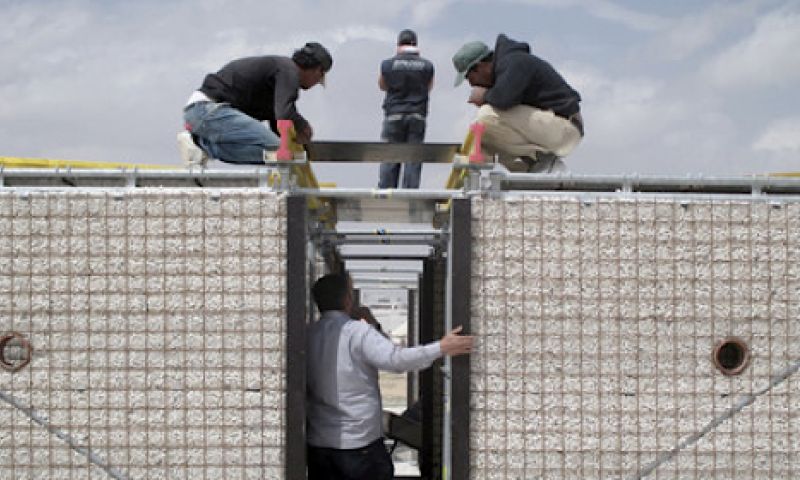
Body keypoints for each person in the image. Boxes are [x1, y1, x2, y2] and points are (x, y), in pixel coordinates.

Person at [306, 273, 474, 480]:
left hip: (319, 445)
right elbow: (395, 360)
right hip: (360, 446)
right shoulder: (358, 332)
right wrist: (441, 347)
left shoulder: (307, 334)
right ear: (348, 299)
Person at [177, 42, 333, 166]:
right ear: (318, 70)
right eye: (319, 78)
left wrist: (295, 142)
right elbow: (284, 114)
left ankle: (203, 148)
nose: (315, 84)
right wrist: (301, 125)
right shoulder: (289, 70)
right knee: (277, 150)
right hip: (208, 110)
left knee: (278, 154)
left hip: (203, 113)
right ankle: (201, 146)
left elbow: (278, 122)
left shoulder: (278, 78)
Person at [452, 34, 584, 173]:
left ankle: (545, 164)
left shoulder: (514, 62)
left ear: (479, 67)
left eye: (469, 77)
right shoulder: (505, 68)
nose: (472, 84)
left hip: (565, 128)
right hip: (553, 127)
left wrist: (484, 95)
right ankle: (534, 168)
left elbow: (503, 99)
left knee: (486, 116)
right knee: (484, 138)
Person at [377, 29, 435, 189]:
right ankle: (410, 196)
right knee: (413, 159)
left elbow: (382, 85)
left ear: (399, 43)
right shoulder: (427, 65)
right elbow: (429, 87)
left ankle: (386, 196)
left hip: (394, 114)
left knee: (390, 156)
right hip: (417, 115)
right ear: (415, 44)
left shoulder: (387, 64)